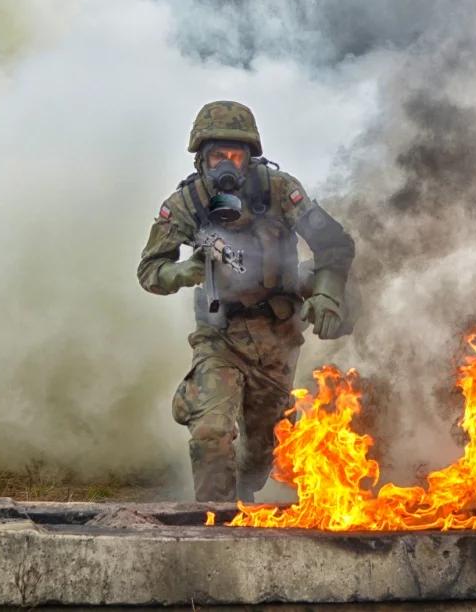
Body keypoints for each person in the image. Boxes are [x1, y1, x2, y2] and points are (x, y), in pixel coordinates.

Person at [137, 100, 355, 501]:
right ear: (202, 159)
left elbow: (334, 244)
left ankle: (242, 501)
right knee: (211, 433)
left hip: (278, 335)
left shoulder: (280, 189)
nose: (226, 165)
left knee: (258, 456)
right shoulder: (187, 203)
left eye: (235, 155)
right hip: (220, 337)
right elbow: (150, 271)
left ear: (250, 157)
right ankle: (214, 531)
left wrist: (326, 295)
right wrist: (185, 272)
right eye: (217, 155)